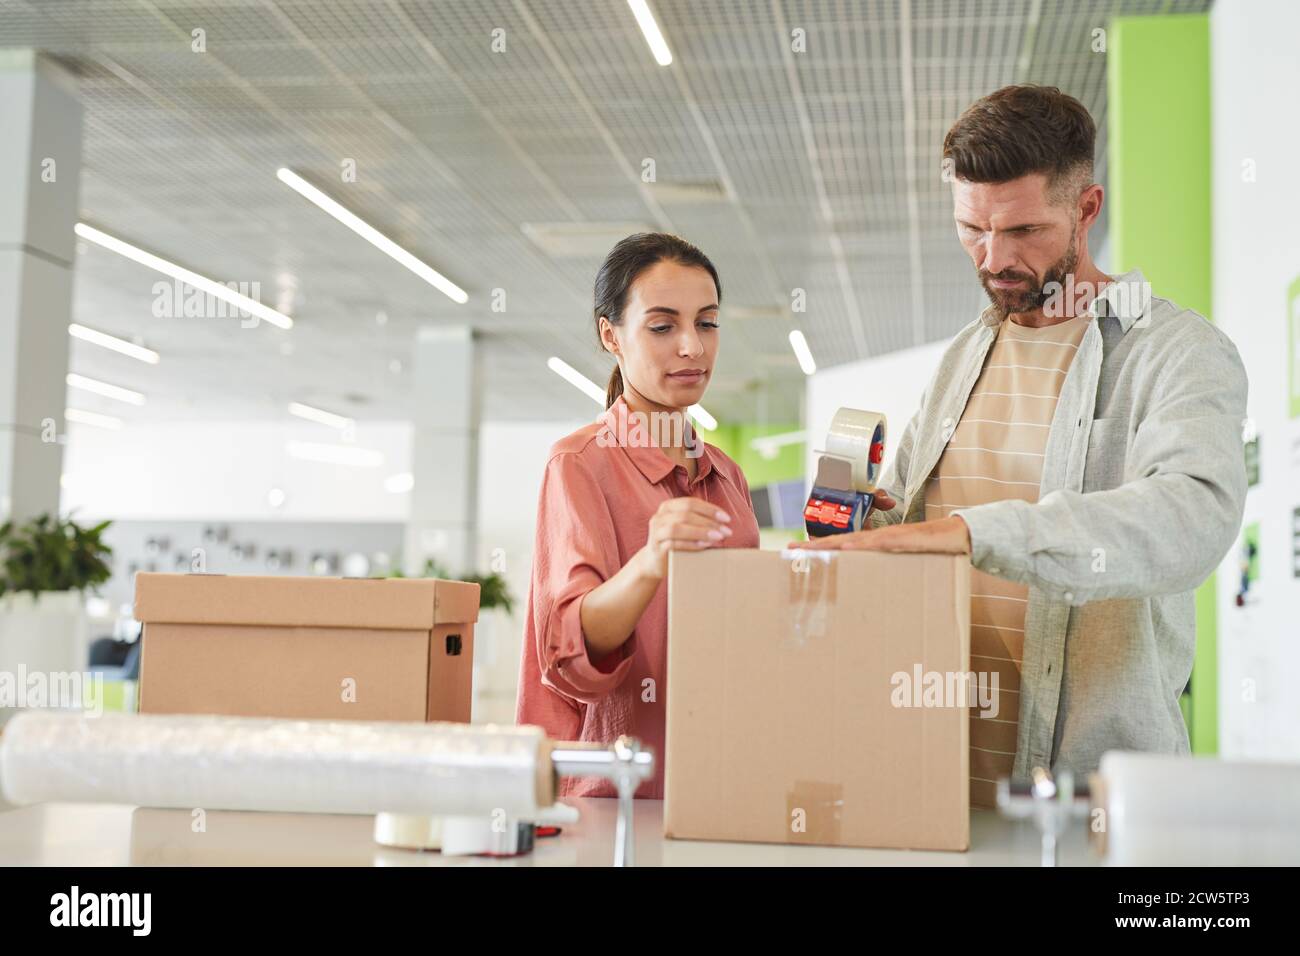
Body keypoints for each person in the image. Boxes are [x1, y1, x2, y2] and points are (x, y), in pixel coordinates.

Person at [800, 85, 1248, 809]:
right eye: (971, 229)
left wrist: (978, 533)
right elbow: (918, 526)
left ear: (1087, 208)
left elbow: (1191, 518)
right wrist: (870, 529)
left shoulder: (1176, 352)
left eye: (1023, 231)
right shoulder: (961, 357)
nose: (994, 257)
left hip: (1082, 800)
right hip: (931, 779)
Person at [516, 233, 761, 798]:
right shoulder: (579, 464)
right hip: (615, 797)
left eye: (707, 322)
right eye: (662, 326)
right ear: (611, 336)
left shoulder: (726, 474)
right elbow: (569, 646)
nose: (692, 347)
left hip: (718, 781)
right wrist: (651, 563)